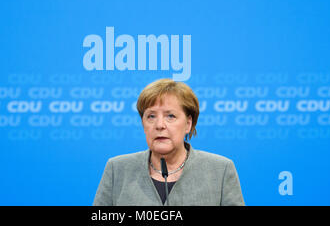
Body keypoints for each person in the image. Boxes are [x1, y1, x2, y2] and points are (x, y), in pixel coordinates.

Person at [93, 78, 244, 206]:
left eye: (170, 116)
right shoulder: (117, 169)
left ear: (188, 124)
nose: (159, 125)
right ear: (143, 123)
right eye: (151, 116)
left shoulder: (220, 170)